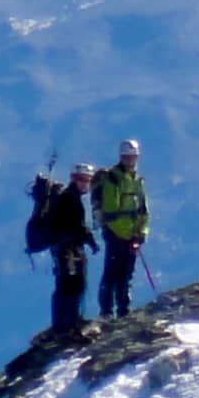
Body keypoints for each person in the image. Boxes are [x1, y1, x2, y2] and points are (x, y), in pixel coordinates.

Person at [26, 161, 97, 339]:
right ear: (74, 179)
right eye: (82, 179)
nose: (85, 183)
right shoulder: (69, 198)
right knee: (71, 285)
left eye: (88, 180)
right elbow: (75, 226)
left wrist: (87, 239)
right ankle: (69, 327)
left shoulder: (69, 197)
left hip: (64, 247)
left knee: (69, 284)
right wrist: (89, 240)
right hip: (67, 249)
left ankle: (66, 324)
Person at [95, 138, 152, 318]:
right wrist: (128, 235)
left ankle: (123, 311)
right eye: (127, 157)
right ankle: (107, 313)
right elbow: (111, 213)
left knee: (125, 275)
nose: (130, 160)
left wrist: (141, 233)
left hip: (130, 236)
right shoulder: (113, 179)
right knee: (113, 274)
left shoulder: (137, 181)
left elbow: (144, 211)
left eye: (133, 157)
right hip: (116, 235)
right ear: (121, 157)